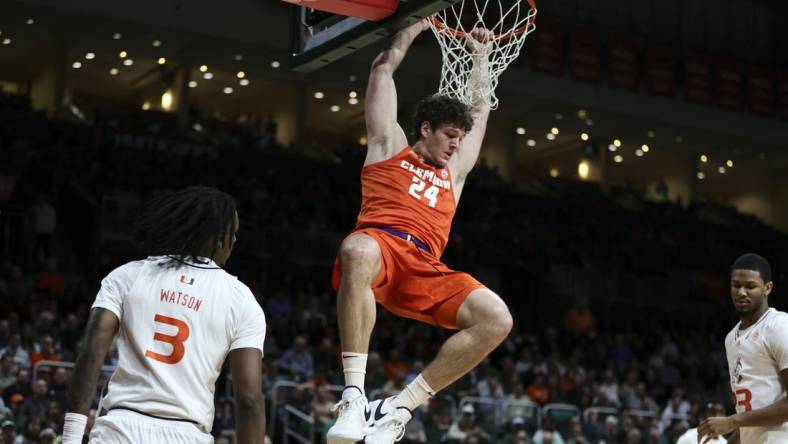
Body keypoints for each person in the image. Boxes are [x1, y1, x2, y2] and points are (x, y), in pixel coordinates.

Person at [327, 18, 512, 444]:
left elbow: (481, 108)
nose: (455, 145)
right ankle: (354, 396)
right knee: (356, 249)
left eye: (459, 139)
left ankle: (399, 407)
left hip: (426, 267)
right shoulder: (386, 146)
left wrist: (481, 59)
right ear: (425, 129)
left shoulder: (456, 171)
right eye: (449, 135)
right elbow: (381, 70)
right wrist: (413, 25)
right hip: (381, 248)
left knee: (497, 318)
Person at [62, 186, 267, 444]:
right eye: (233, 233)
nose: (235, 241)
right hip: (186, 434)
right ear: (215, 237)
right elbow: (249, 401)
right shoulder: (241, 299)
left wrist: (70, 437)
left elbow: (91, 353)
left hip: (120, 429)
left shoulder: (128, 275)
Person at [698, 253, 788, 444]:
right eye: (736, 285)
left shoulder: (780, 326)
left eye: (750, 286)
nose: (741, 292)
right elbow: (751, 418)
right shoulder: (731, 339)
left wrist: (731, 421)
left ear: (767, 288)